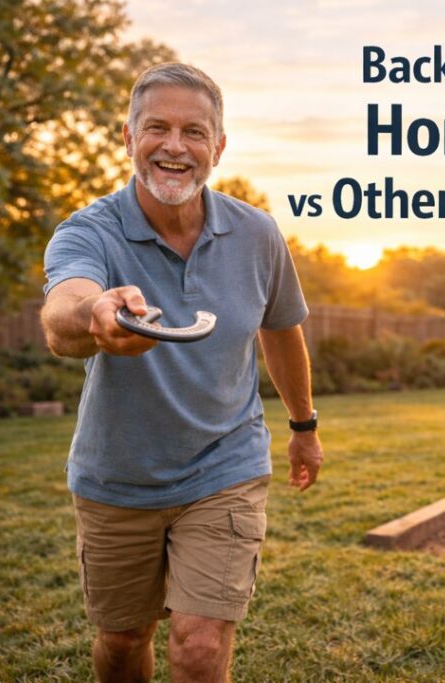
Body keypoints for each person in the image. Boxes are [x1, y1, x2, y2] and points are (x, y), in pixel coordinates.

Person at [40, 62, 323, 682]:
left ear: (217, 147)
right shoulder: (89, 231)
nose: (175, 146)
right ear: (128, 138)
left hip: (225, 466)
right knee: (123, 640)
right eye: (157, 128)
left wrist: (304, 427)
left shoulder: (257, 234)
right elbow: (62, 315)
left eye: (194, 132)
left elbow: (280, 331)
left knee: (199, 644)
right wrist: (98, 313)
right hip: (118, 475)